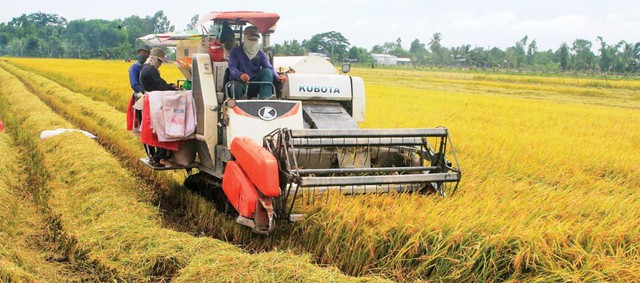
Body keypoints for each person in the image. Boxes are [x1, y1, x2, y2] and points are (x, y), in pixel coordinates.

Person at [139, 47, 179, 167]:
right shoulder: (151, 70)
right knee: (163, 130)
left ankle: (156, 157)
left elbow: (159, 83)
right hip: (155, 104)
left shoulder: (145, 69)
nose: (160, 64)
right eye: (160, 61)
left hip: (150, 103)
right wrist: (172, 88)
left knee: (155, 130)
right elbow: (160, 85)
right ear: (154, 59)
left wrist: (168, 85)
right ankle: (162, 157)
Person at [227, 26, 287, 99]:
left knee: (267, 71)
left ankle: (265, 100)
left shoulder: (260, 54)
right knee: (236, 88)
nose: (253, 42)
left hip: (255, 83)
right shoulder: (235, 52)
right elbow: (232, 68)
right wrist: (241, 75)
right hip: (239, 83)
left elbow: (269, 67)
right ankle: (238, 106)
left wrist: (277, 77)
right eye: (251, 39)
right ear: (245, 38)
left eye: (255, 40)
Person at [126, 44, 150, 133]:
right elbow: (134, 84)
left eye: (146, 53)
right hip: (141, 96)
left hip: (149, 96)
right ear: (139, 53)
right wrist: (145, 92)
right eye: (142, 52)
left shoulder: (148, 67)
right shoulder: (134, 67)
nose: (144, 54)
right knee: (143, 122)